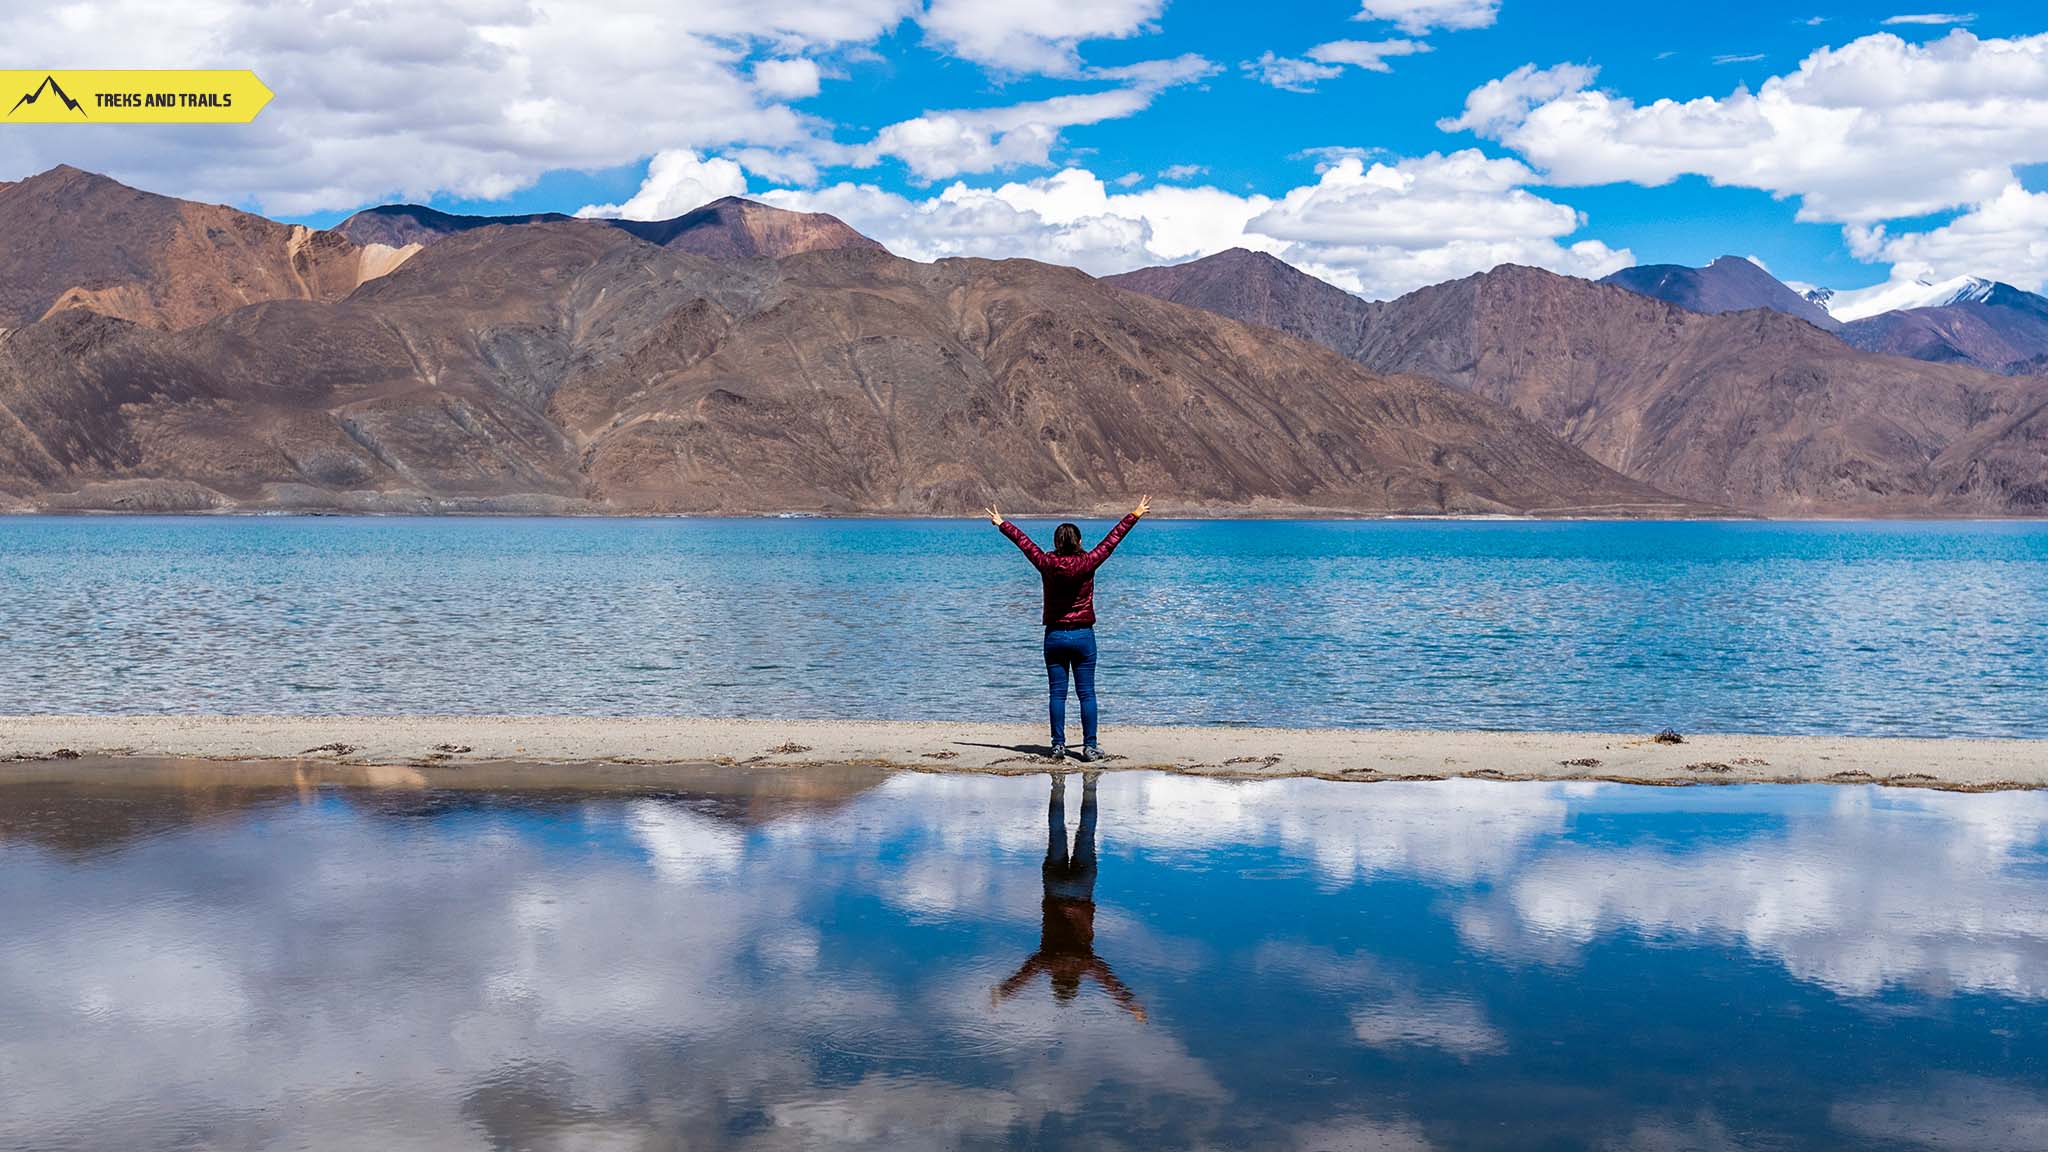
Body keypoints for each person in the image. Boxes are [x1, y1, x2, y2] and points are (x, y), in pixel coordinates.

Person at [984, 495, 1150, 761]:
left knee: (1057, 693)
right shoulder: (1088, 562)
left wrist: (1002, 523)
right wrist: (1135, 514)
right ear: (1080, 542)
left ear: (1056, 543)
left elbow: (1025, 545)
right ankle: (1090, 746)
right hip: (1084, 635)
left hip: (1055, 636)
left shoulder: (1047, 564)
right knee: (1087, 693)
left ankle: (1058, 745)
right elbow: (1111, 541)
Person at [992, 770, 1145, 1021]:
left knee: (1086, 832)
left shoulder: (1085, 965)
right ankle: (1058, 785)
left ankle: (1090, 784)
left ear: (1075, 983)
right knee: (1056, 833)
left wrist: (1131, 1005)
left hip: (1082, 892)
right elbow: (1025, 974)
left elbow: (1108, 980)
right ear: (1055, 982)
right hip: (1055, 890)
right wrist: (1003, 992)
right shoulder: (1047, 963)